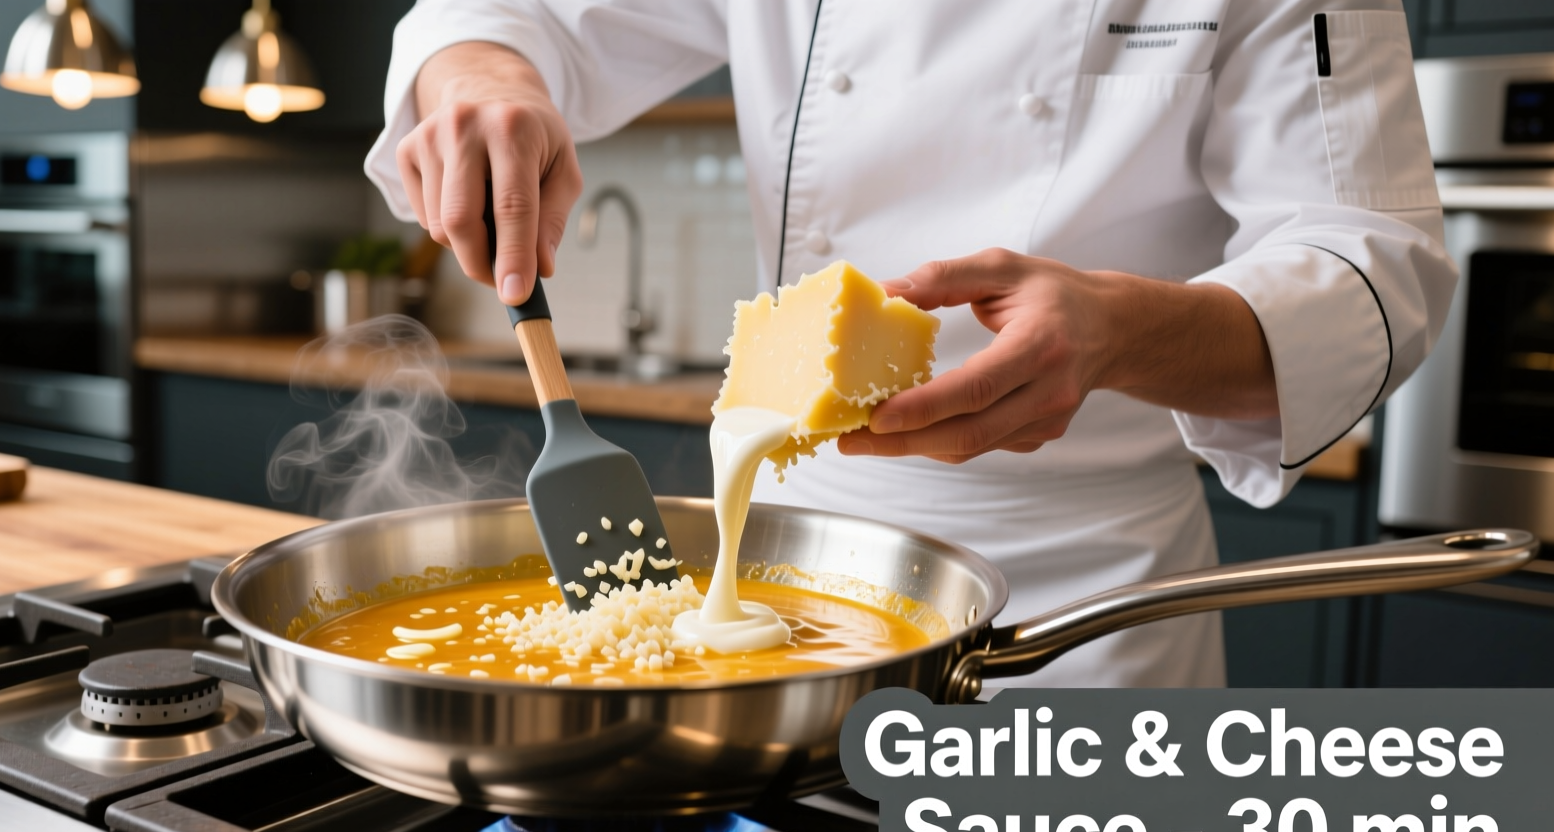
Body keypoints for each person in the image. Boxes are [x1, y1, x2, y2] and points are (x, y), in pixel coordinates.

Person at [364, 1, 1454, 687]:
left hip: (1081, 618)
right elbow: (513, 18)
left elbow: (1376, 263)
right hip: (788, 589)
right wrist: (483, 79)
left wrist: (1118, 333)